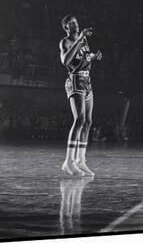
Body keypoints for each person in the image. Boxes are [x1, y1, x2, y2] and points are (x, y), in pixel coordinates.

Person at [59, 15, 102, 176]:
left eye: (76, 22)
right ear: (66, 28)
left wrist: (94, 56)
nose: (75, 25)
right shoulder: (65, 42)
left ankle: (80, 160)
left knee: (88, 121)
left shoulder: (83, 40)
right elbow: (66, 60)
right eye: (71, 23)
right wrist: (80, 39)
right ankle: (68, 162)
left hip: (87, 80)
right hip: (75, 80)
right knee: (79, 119)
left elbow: (84, 58)